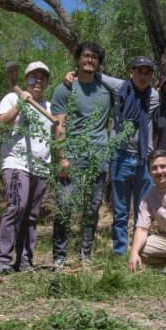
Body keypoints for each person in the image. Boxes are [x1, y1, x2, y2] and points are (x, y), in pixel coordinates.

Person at [51, 43, 113, 268]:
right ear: (78, 59)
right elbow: (59, 126)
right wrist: (62, 157)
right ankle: (59, 258)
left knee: (92, 209)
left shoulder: (107, 89)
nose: (89, 60)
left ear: (99, 62)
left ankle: (85, 256)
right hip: (72, 156)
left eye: (94, 57)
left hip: (99, 156)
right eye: (85, 56)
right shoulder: (64, 89)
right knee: (65, 206)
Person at [93, 57, 161, 255]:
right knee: (121, 210)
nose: (143, 76)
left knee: (143, 209)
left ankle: (138, 252)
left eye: (147, 73)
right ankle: (120, 251)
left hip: (144, 159)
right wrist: (71, 74)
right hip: (120, 156)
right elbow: (96, 75)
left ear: (151, 76)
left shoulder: (154, 95)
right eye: (139, 71)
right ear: (132, 72)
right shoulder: (119, 86)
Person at [0, 62, 53, 273]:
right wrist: (20, 104)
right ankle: (2, 259)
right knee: (17, 206)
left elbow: (55, 134)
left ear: (46, 82)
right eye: (33, 77)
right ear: (26, 79)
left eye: (42, 78)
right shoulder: (12, 98)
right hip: (16, 162)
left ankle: (25, 260)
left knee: (31, 215)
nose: (38, 81)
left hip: (41, 166)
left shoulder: (49, 107)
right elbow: (0, 123)